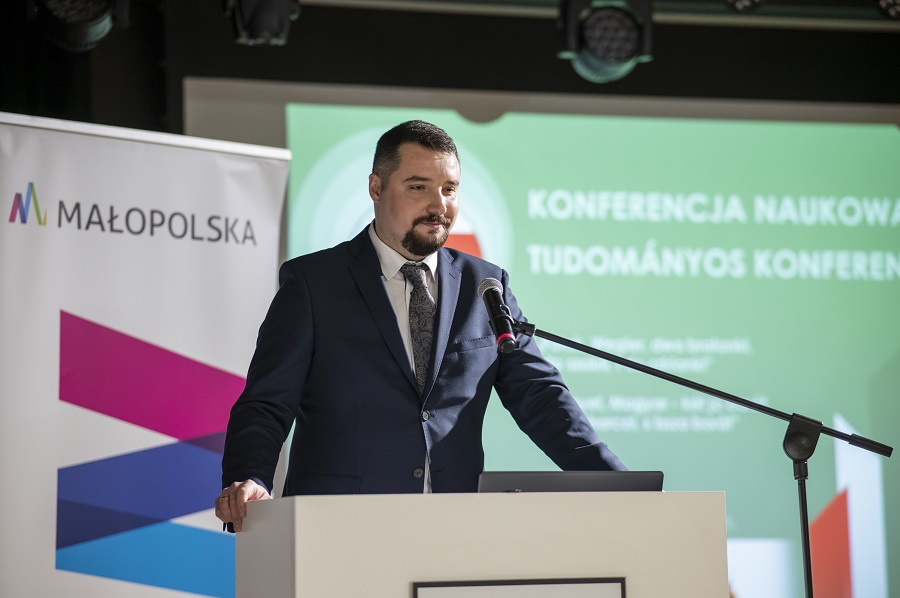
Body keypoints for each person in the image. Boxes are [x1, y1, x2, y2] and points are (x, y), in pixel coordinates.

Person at [215, 120, 625, 531]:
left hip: (454, 529)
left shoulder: (485, 285)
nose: (438, 205)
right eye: (418, 187)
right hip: (338, 527)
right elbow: (267, 402)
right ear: (376, 188)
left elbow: (540, 397)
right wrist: (249, 478)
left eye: (449, 189)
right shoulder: (313, 283)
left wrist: (618, 485)